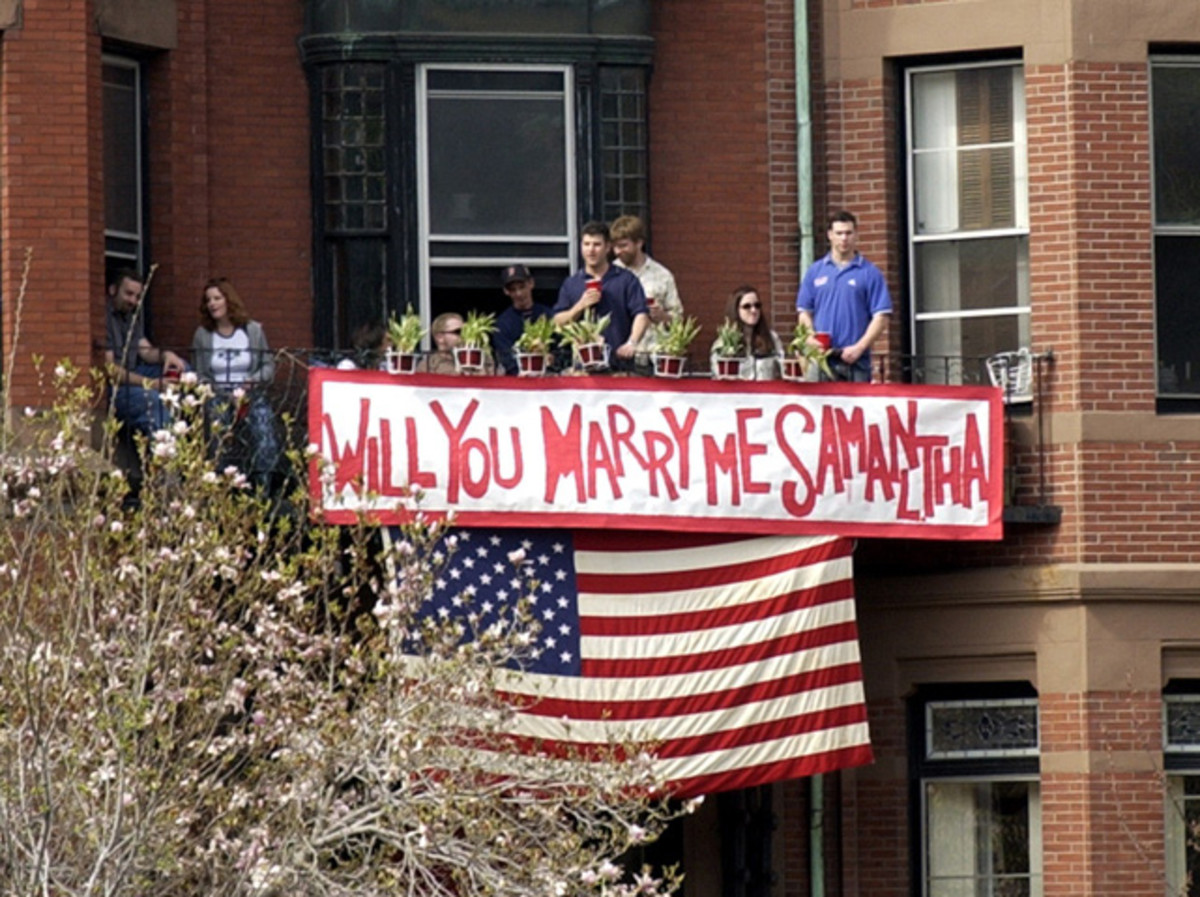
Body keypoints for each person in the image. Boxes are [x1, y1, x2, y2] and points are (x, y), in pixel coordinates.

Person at [191, 277, 280, 488]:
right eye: (208, 300)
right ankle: (219, 482)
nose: (212, 304)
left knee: (263, 424)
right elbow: (200, 373)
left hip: (249, 393)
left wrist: (252, 381)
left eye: (217, 298)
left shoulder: (252, 331)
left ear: (228, 300)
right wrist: (218, 391)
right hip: (218, 394)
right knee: (217, 426)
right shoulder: (203, 335)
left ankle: (263, 482)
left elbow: (268, 366)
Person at [795, 210, 892, 382]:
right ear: (830, 235)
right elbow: (804, 312)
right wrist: (811, 338)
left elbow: (881, 317)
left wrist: (860, 348)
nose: (844, 238)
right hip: (822, 360)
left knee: (857, 409)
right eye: (839, 233)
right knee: (818, 408)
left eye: (848, 233)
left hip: (856, 361)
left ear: (856, 235)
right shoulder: (815, 271)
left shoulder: (870, 273)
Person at [552, 221, 649, 372]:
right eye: (586, 244)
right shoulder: (571, 283)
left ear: (608, 247)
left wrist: (631, 343)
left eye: (597, 244)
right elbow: (557, 321)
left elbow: (641, 314)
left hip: (619, 366)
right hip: (582, 369)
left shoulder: (626, 280)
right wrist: (580, 305)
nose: (591, 250)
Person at [104, 267, 187, 440]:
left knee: (185, 370)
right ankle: (163, 453)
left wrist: (166, 355)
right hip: (116, 388)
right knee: (155, 400)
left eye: (137, 297)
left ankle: (187, 434)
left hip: (137, 374)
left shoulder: (131, 316)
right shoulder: (103, 318)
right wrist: (151, 383)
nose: (133, 300)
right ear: (113, 290)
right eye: (128, 294)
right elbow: (111, 371)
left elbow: (146, 351)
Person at [610, 215, 683, 372]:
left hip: (652, 356)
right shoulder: (610, 275)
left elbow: (679, 321)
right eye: (615, 246)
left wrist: (662, 316)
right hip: (617, 356)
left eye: (623, 246)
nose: (618, 252)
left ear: (639, 243)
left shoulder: (662, 275)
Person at [711, 285, 784, 381]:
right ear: (736, 310)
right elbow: (718, 377)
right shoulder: (723, 343)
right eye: (747, 306)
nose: (753, 310)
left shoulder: (772, 338)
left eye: (757, 305)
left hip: (766, 394)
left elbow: (783, 371)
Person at [492, 264, 554, 375]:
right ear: (506, 291)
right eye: (513, 290)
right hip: (518, 383)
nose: (519, 293)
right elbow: (505, 358)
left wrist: (553, 359)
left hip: (549, 380)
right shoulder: (503, 323)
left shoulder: (548, 315)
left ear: (531, 284)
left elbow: (562, 351)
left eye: (522, 287)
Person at [424, 311, 495, 375]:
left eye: (466, 330)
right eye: (458, 332)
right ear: (440, 337)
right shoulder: (428, 366)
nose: (464, 335)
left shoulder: (484, 360)